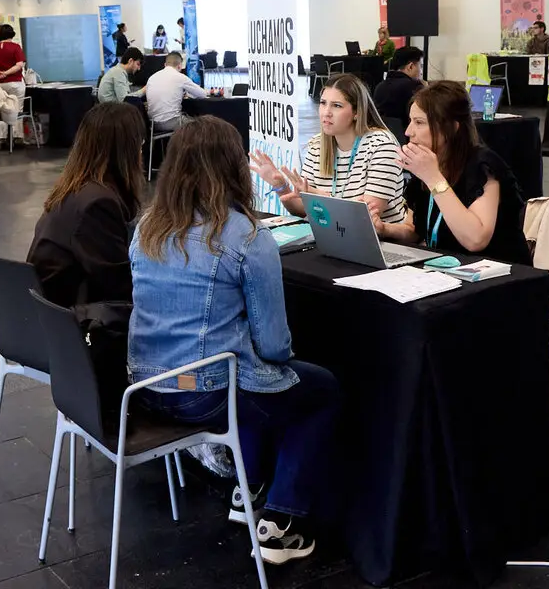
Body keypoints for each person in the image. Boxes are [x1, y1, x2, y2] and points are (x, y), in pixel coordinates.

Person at [129, 116, 340, 566]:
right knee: (315, 390)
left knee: (249, 379)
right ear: (232, 167)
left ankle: (248, 493)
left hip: (145, 390)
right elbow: (274, 347)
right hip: (203, 395)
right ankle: (280, 523)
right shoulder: (246, 235)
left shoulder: (147, 226)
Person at [372, 80, 530, 264]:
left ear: (451, 128)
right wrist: (384, 229)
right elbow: (414, 230)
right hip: (445, 268)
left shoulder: (483, 166)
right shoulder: (428, 164)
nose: (408, 131)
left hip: (495, 273)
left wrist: (434, 178)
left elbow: (475, 239)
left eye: (419, 122)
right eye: (410, 121)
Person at [27, 102, 146, 307]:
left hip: (48, 313)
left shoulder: (73, 189)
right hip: (75, 322)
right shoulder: (98, 203)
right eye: (140, 145)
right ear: (127, 150)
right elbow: (119, 285)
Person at [251, 74, 405, 223]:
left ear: (357, 112)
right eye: (323, 103)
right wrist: (280, 186)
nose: (326, 113)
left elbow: (364, 218)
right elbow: (303, 210)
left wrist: (318, 195)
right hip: (336, 235)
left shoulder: (382, 145)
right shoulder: (317, 145)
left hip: (383, 242)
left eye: (337, 106)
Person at [145, 51, 207, 131]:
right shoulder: (180, 77)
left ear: (165, 64)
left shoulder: (151, 78)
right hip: (172, 122)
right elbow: (202, 94)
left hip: (152, 124)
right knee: (201, 126)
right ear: (180, 66)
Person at [373, 46, 425, 122]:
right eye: (421, 66)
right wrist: (427, 90)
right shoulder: (414, 86)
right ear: (410, 67)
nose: (421, 72)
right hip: (408, 132)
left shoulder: (380, 86)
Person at [0, 24, 27, 108]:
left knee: (1, 111)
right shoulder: (16, 47)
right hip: (14, 83)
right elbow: (19, 64)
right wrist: (6, 73)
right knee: (17, 110)